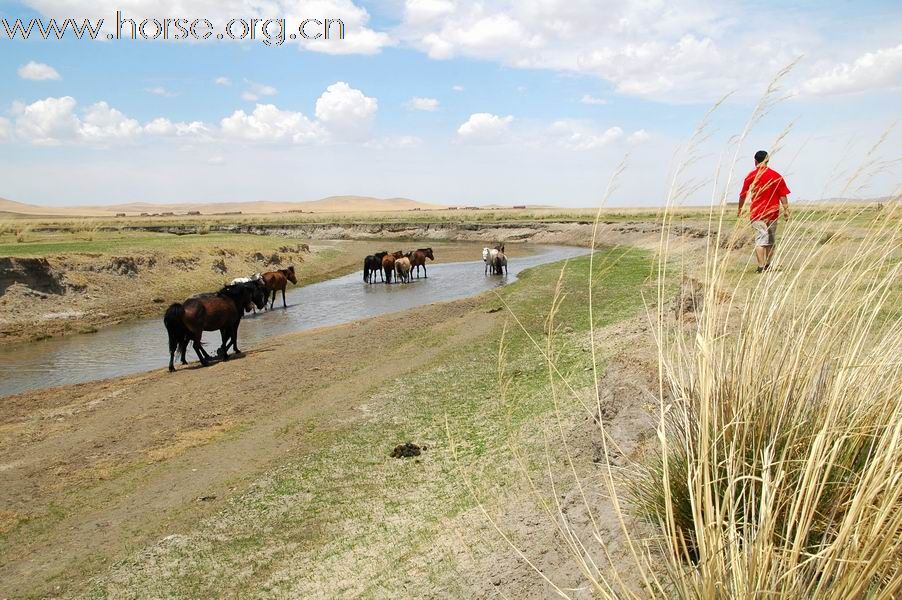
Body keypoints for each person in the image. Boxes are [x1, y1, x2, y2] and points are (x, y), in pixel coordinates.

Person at [738, 150, 790, 272]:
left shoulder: (751, 175)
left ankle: (761, 266)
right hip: (773, 212)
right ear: (767, 160)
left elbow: (743, 195)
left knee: (761, 239)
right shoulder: (776, 175)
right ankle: (768, 264)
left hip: (757, 213)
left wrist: (740, 209)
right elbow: (782, 194)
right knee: (770, 240)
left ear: (755, 160)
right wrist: (786, 210)